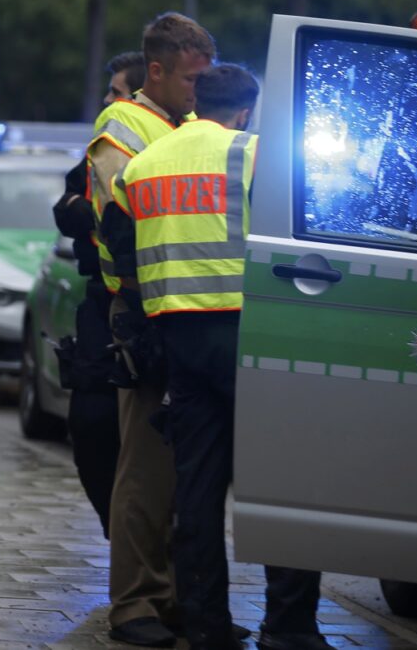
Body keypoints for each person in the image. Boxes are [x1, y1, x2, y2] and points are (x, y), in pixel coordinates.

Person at [111, 64, 326, 650]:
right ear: (246, 111)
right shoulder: (253, 155)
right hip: (250, 332)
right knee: (283, 480)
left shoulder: (143, 164)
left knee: (197, 487)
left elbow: (117, 247)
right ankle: (289, 626)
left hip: (177, 337)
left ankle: (206, 626)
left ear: (196, 101)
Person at [88, 12, 221, 648]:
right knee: (145, 467)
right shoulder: (123, 126)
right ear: (158, 70)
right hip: (143, 309)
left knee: (187, 467)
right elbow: (123, 219)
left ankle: (179, 601)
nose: (199, 90)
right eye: (191, 79)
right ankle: (136, 604)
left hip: (194, 311)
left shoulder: (191, 125)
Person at [52, 50, 146, 539]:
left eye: (114, 91)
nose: (106, 100)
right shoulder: (98, 152)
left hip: (145, 307)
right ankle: (120, 535)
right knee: (89, 425)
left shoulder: (153, 153)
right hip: (99, 301)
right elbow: (67, 206)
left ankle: (149, 553)